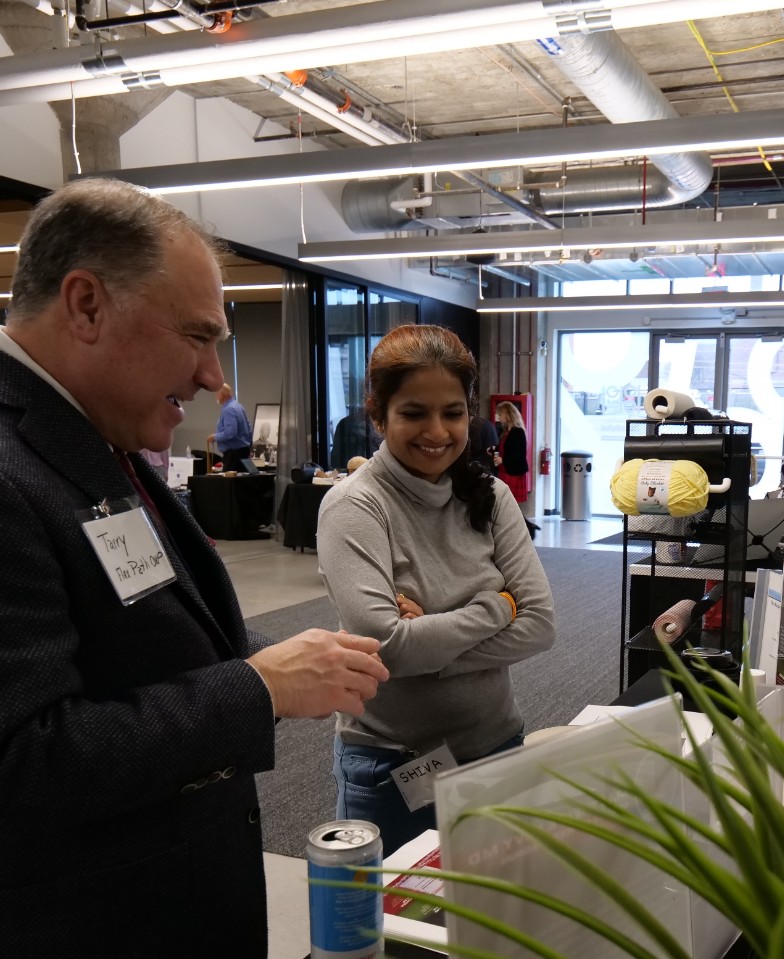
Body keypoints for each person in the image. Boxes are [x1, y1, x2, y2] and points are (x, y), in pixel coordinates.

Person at [0, 178, 389, 955]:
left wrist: (257, 668)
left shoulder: (91, 444)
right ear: (85, 306)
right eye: (197, 335)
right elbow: (23, 762)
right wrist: (259, 686)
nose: (215, 375)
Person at [317, 326, 555, 855]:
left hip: (495, 744)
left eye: (452, 412)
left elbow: (540, 625)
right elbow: (388, 647)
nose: (437, 431)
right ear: (378, 415)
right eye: (413, 413)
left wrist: (430, 641)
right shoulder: (356, 506)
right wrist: (499, 605)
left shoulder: (490, 497)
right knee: (388, 928)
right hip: (394, 761)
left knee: (490, 919)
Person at [207, 381, 252, 468]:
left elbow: (231, 433)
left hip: (234, 455)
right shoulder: (239, 406)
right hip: (243, 452)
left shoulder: (229, 409)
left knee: (231, 481)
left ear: (222, 395)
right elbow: (249, 428)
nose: (216, 395)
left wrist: (214, 437)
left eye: (217, 393)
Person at [495, 400, 530, 505]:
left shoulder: (518, 432)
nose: (499, 417)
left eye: (501, 414)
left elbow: (519, 456)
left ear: (508, 414)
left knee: (510, 504)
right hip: (504, 471)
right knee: (505, 503)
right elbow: (503, 448)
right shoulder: (505, 431)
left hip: (512, 472)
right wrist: (493, 450)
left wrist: (503, 460)